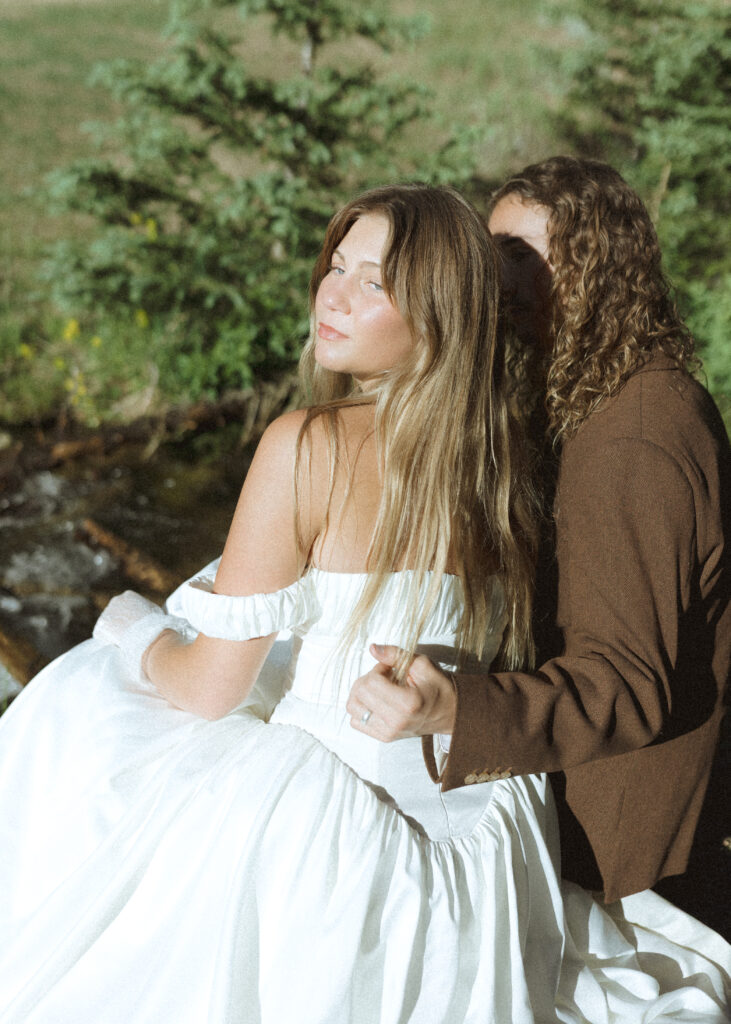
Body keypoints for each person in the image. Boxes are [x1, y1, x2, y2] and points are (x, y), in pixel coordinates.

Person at [0, 182, 728, 1024]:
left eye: (371, 281)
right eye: (335, 265)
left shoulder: (306, 444)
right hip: (485, 836)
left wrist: (132, 630)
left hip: (337, 815)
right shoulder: (507, 460)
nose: (331, 295)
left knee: (77, 706)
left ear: (441, 309)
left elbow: (209, 688)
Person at [351, 157, 731, 910]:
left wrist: (453, 709)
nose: (495, 282)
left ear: (597, 270)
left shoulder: (633, 442)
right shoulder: (618, 392)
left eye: (520, 257)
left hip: (622, 849)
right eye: (493, 257)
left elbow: (624, 685)